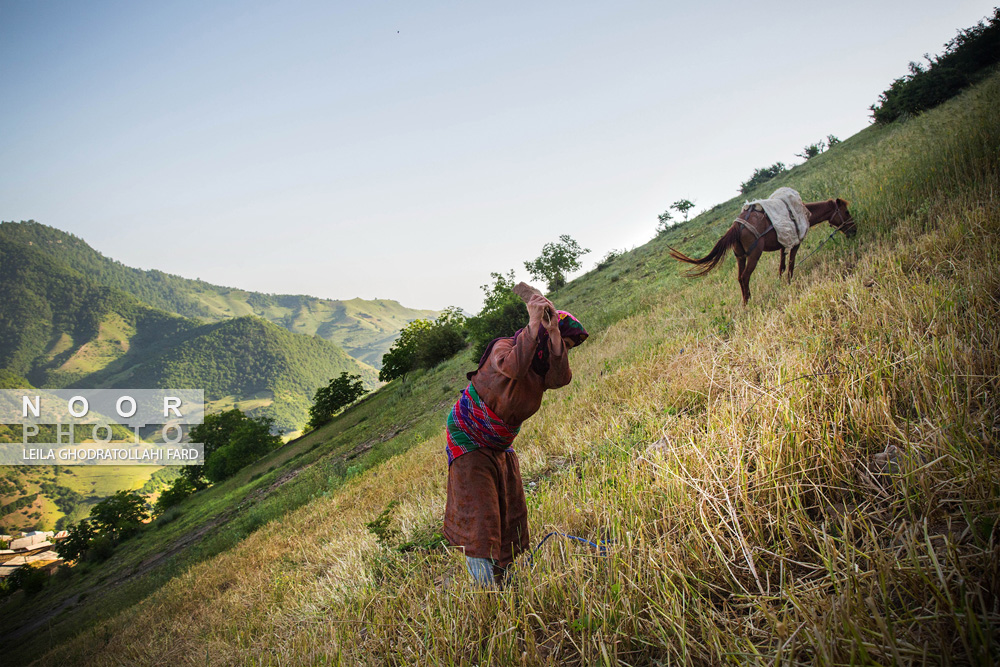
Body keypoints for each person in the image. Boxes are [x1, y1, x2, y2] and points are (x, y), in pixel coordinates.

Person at [443, 294, 588, 586]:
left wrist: (556, 333)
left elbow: (561, 378)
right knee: (481, 519)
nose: (563, 351)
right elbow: (513, 368)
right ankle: (489, 593)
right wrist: (535, 324)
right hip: (470, 438)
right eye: (563, 346)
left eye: (568, 348)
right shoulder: (505, 347)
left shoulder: (542, 371)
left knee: (510, 514)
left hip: (499, 444)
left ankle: (506, 580)